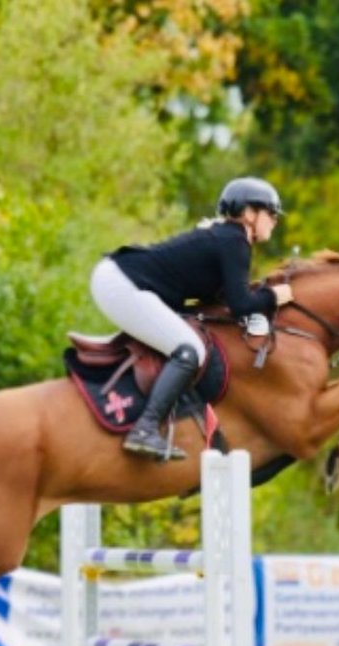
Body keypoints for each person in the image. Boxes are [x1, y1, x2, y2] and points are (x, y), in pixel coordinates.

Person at [89, 176, 294, 461]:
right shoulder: (235, 240)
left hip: (121, 279)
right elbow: (240, 305)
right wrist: (276, 296)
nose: (274, 220)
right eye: (270, 213)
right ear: (249, 213)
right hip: (123, 282)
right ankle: (145, 429)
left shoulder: (227, 237)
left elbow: (224, 301)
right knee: (190, 350)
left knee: (185, 341)